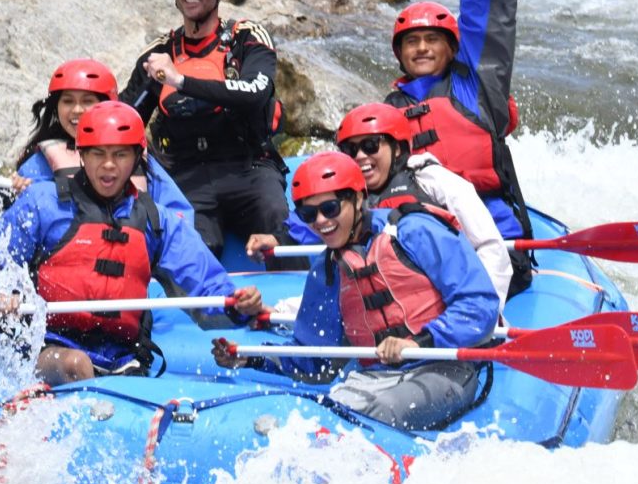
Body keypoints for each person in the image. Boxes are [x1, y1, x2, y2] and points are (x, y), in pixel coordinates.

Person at [0, 100, 263, 386]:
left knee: (97, 368)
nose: (108, 165)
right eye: (98, 153)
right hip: (45, 347)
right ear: (82, 155)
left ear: (137, 157)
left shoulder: (155, 220)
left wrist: (237, 307)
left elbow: (205, 284)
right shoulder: (43, 203)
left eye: (120, 154)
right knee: (76, 364)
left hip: (122, 357)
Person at [213, 151, 498, 430]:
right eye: (308, 213)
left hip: (444, 367)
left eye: (330, 208)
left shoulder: (414, 231)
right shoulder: (327, 271)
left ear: (358, 198)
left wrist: (419, 343)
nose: (321, 221)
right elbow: (316, 359)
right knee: (325, 420)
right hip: (372, 377)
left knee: (385, 410)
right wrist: (251, 358)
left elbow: (479, 305)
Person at [385, 0, 533, 254]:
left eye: (432, 39)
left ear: (453, 48)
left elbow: (490, 8)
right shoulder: (390, 110)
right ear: (399, 55)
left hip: (493, 221)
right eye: (412, 42)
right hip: (429, 227)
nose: (421, 48)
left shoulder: (478, 84)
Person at [120, 0, 287, 260]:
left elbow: (256, 93)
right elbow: (123, 118)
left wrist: (179, 81)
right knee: (194, 251)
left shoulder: (247, 37)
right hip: (187, 174)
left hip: (249, 167)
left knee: (278, 227)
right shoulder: (159, 54)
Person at [253, 102, 518, 302]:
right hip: (391, 303)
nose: (359, 156)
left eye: (370, 145)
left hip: (446, 292)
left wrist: (485, 312)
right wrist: (278, 242)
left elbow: (488, 247)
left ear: (399, 148)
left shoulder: (432, 180)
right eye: (349, 150)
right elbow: (314, 229)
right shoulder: (343, 196)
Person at [7, 58, 193, 224]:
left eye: (87, 101)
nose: (77, 110)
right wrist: (19, 196)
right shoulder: (41, 160)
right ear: (56, 107)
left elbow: (180, 215)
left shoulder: (138, 157)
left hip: (130, 250)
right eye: (68, 101)